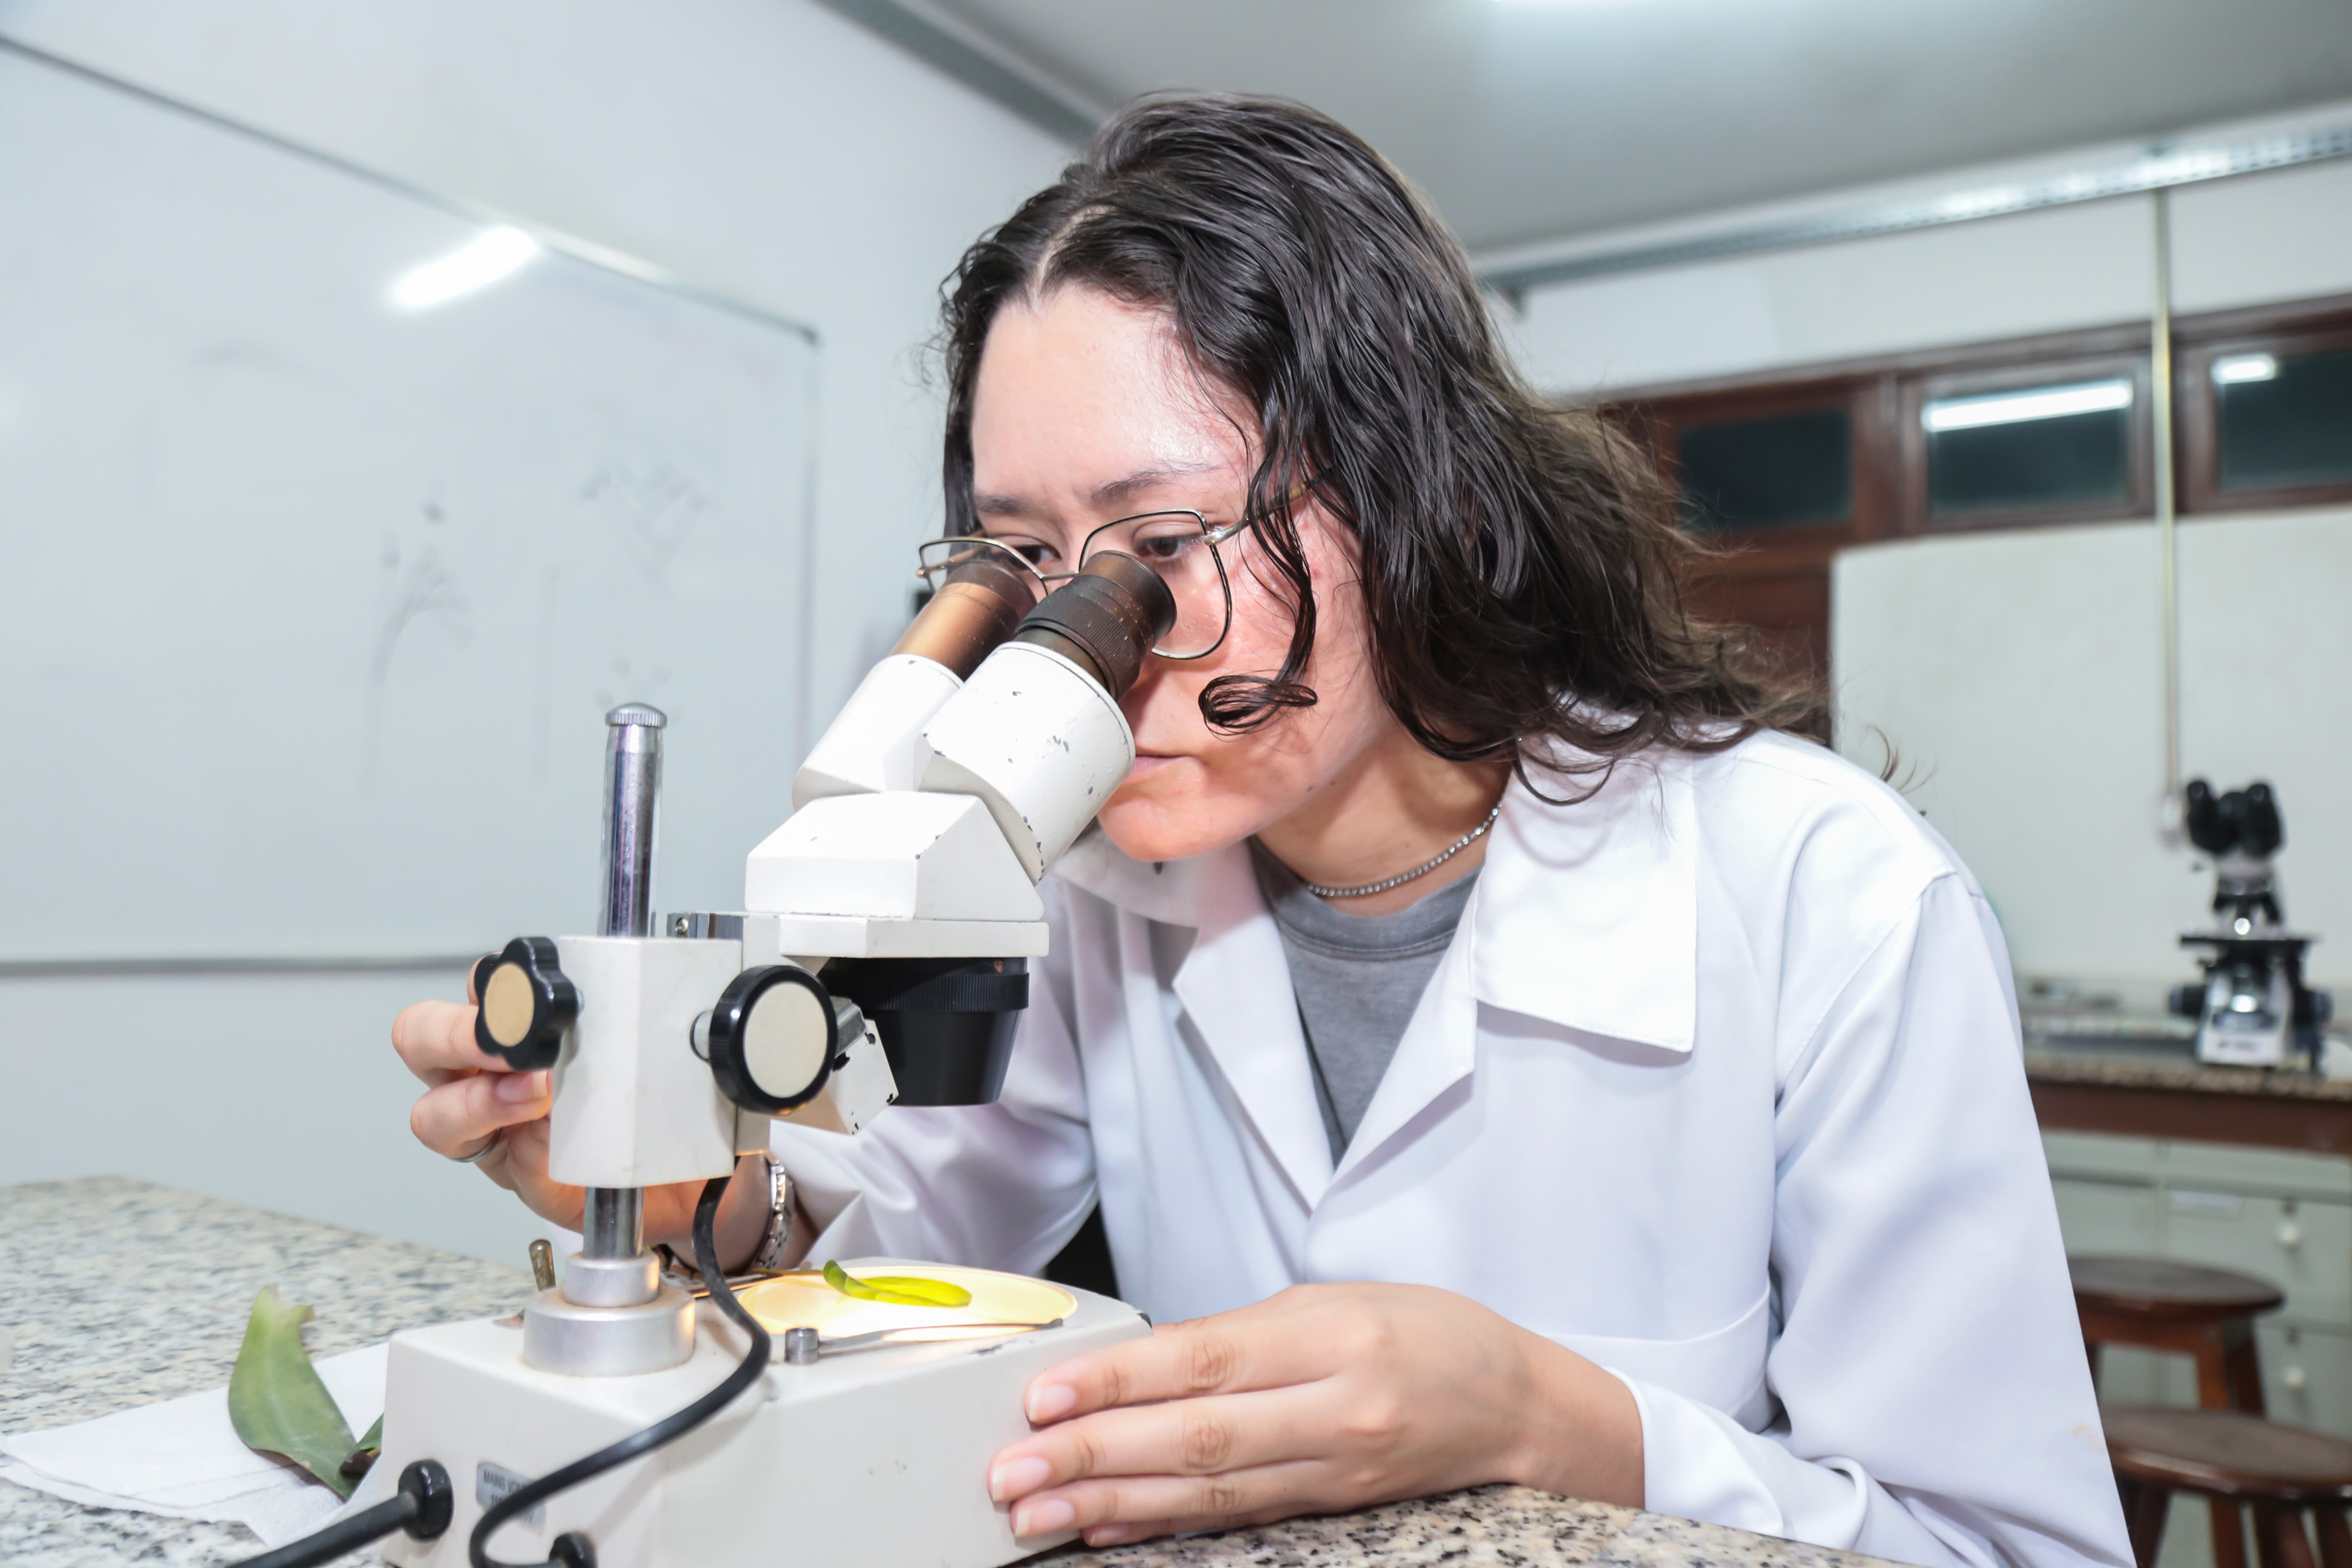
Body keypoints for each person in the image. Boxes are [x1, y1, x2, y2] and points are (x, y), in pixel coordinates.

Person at [394, 96, 2131, 1568]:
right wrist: (727, 1201)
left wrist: (1559, 1423)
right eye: (1023, 561)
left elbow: (2011, 1542)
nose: (1094, 641)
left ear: (1414, 495)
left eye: (1158, 543)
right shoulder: (1099, 884)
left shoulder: (1828, 895)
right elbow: (917, 1268)